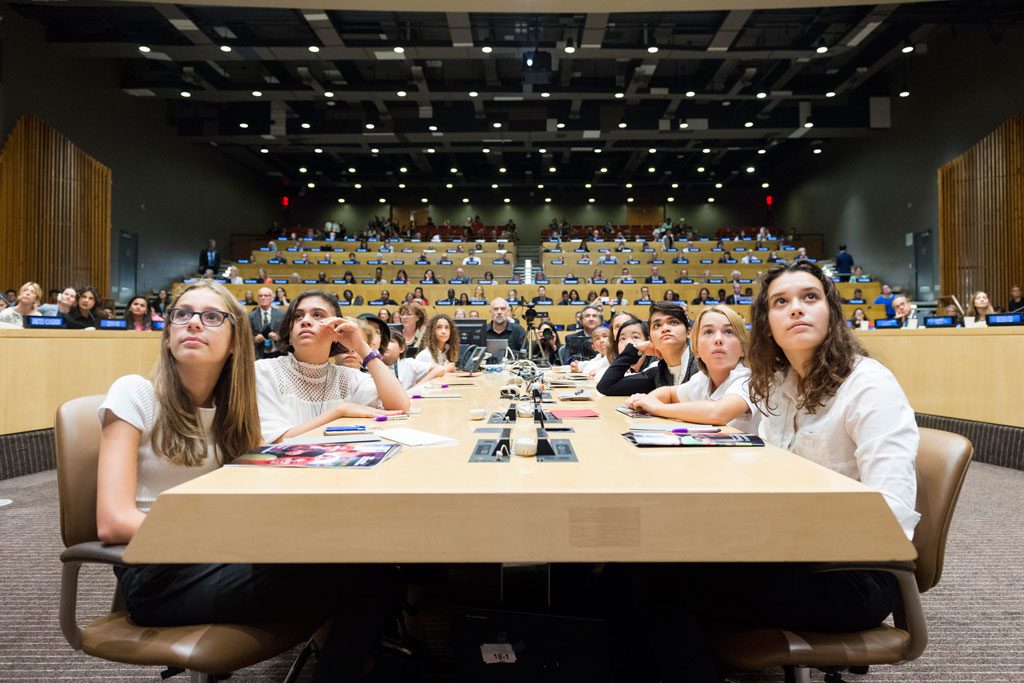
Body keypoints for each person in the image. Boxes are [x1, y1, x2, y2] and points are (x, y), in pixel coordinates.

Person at [96, 281, 398, 683]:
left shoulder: (235, 409)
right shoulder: (135, 392)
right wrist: (226, 531)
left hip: (223, 552)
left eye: (211, 317)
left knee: (369, 562)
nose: (193, 324)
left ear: (236, 341)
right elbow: (113, 522)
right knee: (372, 577)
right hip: (159, 573)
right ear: (167, 335)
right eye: (181, 315)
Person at [634, 260, 918, 681]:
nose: (797, 309)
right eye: (781, 302)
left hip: (850, 572)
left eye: (810, 298)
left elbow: (890, 513)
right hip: (781, 549)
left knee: (649, 586)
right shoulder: (779, 384)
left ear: (831, 312)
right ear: (767, 325)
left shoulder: (869, 386)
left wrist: (778, 531)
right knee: (639, 565)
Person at [254, 290, 410, 443]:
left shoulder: (348, 377)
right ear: (289, 334)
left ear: (336, 332)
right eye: (298, 316)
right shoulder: (265, 371)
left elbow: (399, 406)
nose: (305, 321)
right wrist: (339, 411)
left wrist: (361, 347)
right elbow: (277, 441)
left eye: (317, 315)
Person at [623, 305, 759, 433]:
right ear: (696, 350)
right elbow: (669, 393)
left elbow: (718, 413)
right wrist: (646, 400)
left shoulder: (749, 380)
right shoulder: (702, 379)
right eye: (708, 332)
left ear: (743, 348)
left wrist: (658, 408)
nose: (718, 339)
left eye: (728, 332)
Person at [596, 301, 699, 396]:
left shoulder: (704, 365)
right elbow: (606, 386)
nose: (665, 328)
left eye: (673, 322)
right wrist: (637, 349)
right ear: (651, 339)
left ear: (689, 332)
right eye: (657, 325)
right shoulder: (656, 374)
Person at [248, 287, 285, 359]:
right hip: (259, 355)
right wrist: (255, 339)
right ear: (257, 298)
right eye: (260, 296)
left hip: (278, 354)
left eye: (266, 295)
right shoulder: (250, 316)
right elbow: (246, 336)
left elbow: (287, 334)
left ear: (272, 298)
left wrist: (277, 337)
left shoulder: (282, 314)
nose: (263, 298)